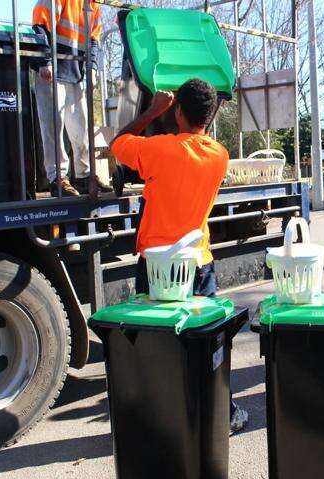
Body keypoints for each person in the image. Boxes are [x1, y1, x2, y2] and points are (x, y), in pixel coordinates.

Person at [110, 78, 249, 435]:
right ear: (210, 115)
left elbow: (118, 143)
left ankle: (160, 419)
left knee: (156, 345)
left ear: (178, 112)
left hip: (158, 269)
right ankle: (222, 413)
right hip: (198, 263)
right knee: (206, 342)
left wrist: (151, 111)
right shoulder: (220, 155)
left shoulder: (159, 150)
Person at [32, 0, 112, 197]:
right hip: (51, 69)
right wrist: (45, 61)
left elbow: (94, 38)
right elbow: (40, 26)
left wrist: (92, 67)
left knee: (81, 127)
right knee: (53, 126)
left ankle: (84, 176)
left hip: (75, 71)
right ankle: (57, 178)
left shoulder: (93, 4)